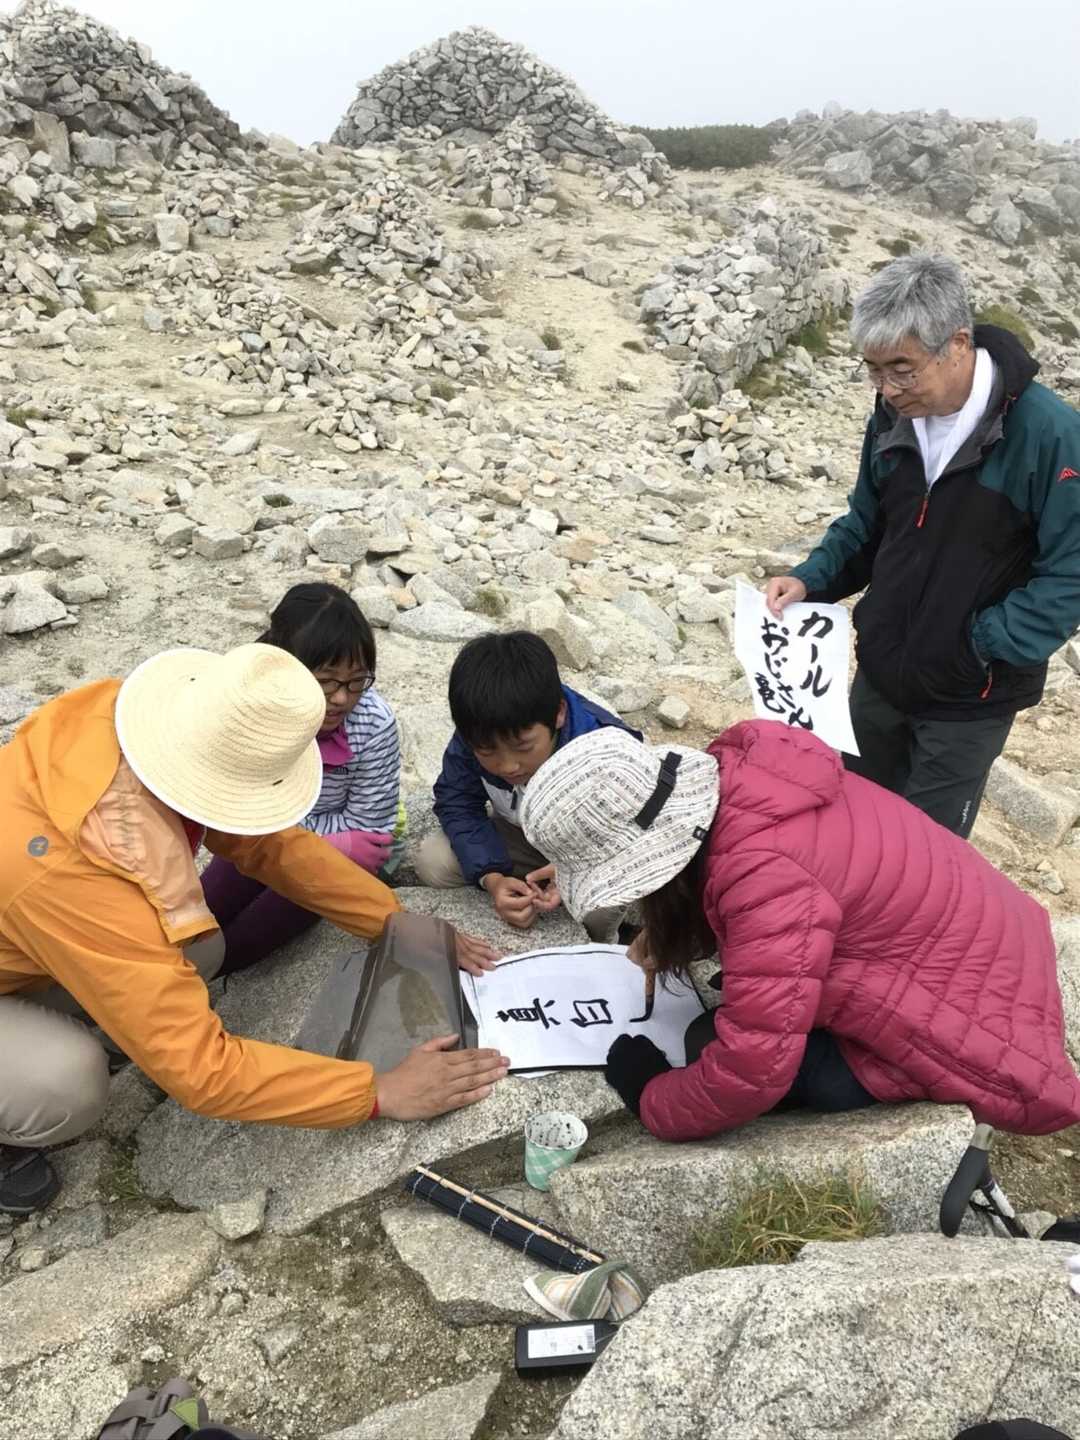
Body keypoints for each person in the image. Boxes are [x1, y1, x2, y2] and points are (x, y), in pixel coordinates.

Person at [0, 642, 505, 1215]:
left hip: (30, 933)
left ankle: (113, 1025)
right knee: (67, 1082)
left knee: (200, 947)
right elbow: (201, 1072)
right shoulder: (79, 874)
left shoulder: (143, 728)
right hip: (43, 898)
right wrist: (377, 1090)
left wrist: (391, 921)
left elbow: (271, 845)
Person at [519, 721, 1080, 1144]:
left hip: (982, 1023)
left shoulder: (765, 878)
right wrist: (680, 935)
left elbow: (754, 1069)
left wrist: (651, 1096)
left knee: (710, 1046)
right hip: (990, 945)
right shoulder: (746, 780)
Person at [766, 254, 1080, 839]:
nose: (887, 389)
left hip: (969, 697)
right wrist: (811, 579)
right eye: (873, 370)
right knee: (850, 830)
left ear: (957, 344)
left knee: (924, 858)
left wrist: (979, 645)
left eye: (902, 370)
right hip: (881, 677)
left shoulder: (1048, 434)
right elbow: (867, 523)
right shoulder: (894, 416)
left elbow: (1070, 575)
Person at [201, 584, 407, 975]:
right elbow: (240, 806)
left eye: (356, 681)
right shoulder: (255, 711)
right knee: (204, 907)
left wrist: (297, 834)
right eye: (327, 681)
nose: (342, 698)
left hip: (332, 853)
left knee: (267, 919)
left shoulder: (373, 723)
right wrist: (321, 836)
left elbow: (370, 831)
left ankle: (215, 971)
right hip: (263, 837)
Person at [415, 630, 640, 934]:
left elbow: (634, 828)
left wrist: (572, 871)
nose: (508, 765)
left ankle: (603, 940)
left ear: (558, 714)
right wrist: (493, 879)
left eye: (523, 747)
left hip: (592, 850)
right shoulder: (479, 730)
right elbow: (457, 801)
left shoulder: (603, 746)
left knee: (600, 909)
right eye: (488, 752)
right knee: (433, 860)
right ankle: (522, 888)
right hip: (521, 838)